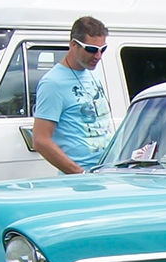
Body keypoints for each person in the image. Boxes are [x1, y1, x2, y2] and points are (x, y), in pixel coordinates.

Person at [33, 16, 112, 173]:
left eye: (102, 49)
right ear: (73, 45)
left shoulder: (93, 73)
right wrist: (79, 174)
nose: (98, 56)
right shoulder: (53, 83)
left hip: (106, 172)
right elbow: (40, 140)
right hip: (79, 180)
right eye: (91, 49)